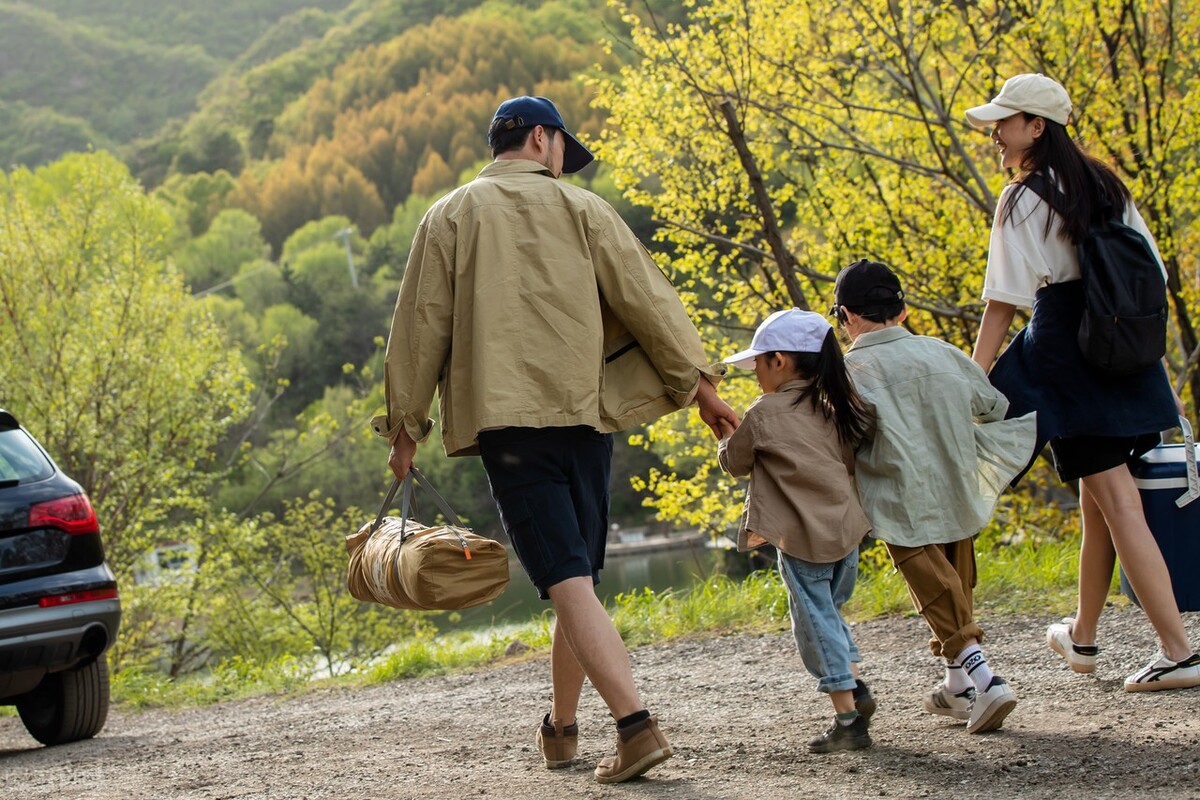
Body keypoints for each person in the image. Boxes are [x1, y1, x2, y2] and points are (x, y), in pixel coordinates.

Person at [372, 95, 739, 783]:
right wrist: (703, 391)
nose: (566, 160)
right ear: (541, 139)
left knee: (568, 579)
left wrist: (404, 428)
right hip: (586, 416)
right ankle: (562, 731)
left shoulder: (449, 215)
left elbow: (419, 328)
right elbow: (649, 302)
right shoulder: (585, 210)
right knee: (578, 579)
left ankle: (635, 726)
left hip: (510, 424)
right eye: (565, 146)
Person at [965, 73, 1200, 691]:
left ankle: (1179, 651)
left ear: (1036, 127)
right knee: (1100, 501)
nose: (995, 133)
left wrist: (974, 376)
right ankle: (1084, 638)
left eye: (1005, 121)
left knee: (1119, 503)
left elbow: (1002, 301)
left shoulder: (1021, 198)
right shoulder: (1104, 185)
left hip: (1070, 357)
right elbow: (1152, 273)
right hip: (1123, 350)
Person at [834, 259, 1037, 734]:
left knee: (933, 590)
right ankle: (957, 687)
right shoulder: (943, 353)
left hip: (898, 496)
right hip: (956, 486)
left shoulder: (849, 371)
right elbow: (993, 406)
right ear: (902, 310)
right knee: (955, 584)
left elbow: (844, 437)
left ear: (846, 315)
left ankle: (986, 680)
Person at [716, 308, 878, 753]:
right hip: (846, 534)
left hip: (802, 539)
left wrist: (725, 436)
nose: (756, 376)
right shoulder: (834, 406)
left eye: (759, 365)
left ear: (781, 361)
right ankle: (857, 687)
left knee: (813, 623)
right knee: (831, 612)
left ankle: (848, 719)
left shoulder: (765, 411)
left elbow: (736, 462)